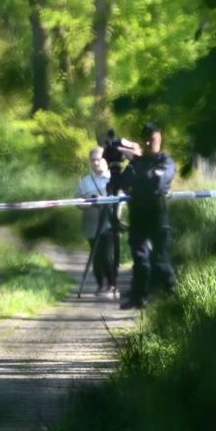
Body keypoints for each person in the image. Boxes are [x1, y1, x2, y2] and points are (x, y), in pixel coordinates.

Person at [113, 121, 176, 309]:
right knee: (140, 259)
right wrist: (131, 165)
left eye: (152, 140)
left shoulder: (165, 161)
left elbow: (158, 182)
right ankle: (138, 297)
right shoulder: (136, 162)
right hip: (138, 214)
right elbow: (124, 183)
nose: (149, 144)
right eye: (146, 141)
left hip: (157, 214)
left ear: (160, 138)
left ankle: (172, 295)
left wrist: (139, 177)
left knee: (160, 260)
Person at [77, 146, 120, 296]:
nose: (96, 163)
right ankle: (100, 284)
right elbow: (77, 201)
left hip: (110, 223)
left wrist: (105, 201)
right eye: (93, 160)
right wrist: (88, 203)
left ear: (105, 160)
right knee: (96, 255)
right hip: (91, 224)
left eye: (99, 159)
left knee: (106, 253)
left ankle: (112, 283)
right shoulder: (86, 182)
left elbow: (122, 200)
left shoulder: (114, 178)